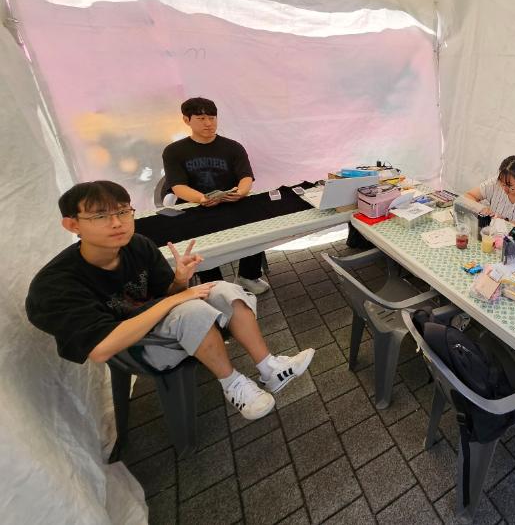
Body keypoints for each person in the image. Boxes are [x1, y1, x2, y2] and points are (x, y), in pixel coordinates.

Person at [26, 181, 314, 421]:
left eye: (123, 211)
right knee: (192, 309)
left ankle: (269, 368)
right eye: (100, 216)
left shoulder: (137, 245)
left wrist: (179, 280)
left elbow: (168, 295)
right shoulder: (57, 283)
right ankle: (233, 384)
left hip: (162, 322)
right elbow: (101, 349)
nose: (117, 223)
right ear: (72, 224)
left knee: (222, 289)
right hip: (133, 347)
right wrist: (175, 300)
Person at [162, 97, 269, 294]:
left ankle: (248, 275)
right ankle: (213, 284)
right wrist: (202, 199)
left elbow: (246, 177)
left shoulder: (233, 147)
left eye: (212, 118)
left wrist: (240, 192)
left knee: (257, 225)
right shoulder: (174, 151)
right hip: (195, 206)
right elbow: (177, 186)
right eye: (201, 118)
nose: (208, 123)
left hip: (231, 202)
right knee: (200, 241)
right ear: (186, 120)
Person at [464, 156, 515, 235]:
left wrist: (505, 222)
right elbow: (468, 195)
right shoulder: (496, 182)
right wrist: (481, 208)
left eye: (510, 186)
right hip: (493, 236)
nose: (505, 189)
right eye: (502, 184)